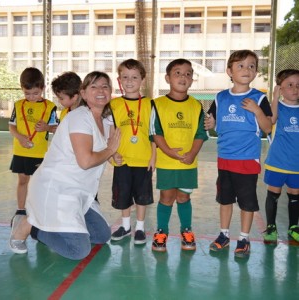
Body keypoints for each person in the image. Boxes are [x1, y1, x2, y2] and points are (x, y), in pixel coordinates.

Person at [9, 71, 121, 260]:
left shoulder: (104, 119)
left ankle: (48, 222)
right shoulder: (79, 118)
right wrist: (110, 150)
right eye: (93, 87)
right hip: (57, 190)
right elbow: (85, 162)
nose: (100, 90)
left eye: (105, 86)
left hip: (79, 191)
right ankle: (33, 226)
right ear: (83, 94)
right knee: (78, 251)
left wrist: (113, 154)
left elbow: (101, 150)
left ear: (110, 91)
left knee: (102, 236)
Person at [205, 50, 272, 258]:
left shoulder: (259, 98)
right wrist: (210, 123)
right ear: (229, 71)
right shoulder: (220, 97)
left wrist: (257, 111)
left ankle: (243, 238)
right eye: (241, 65)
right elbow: (213, 122)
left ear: (256, 72)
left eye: (251, 66)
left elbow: (268, 127)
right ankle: (224, 235)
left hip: (247, 160)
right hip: (224, 159)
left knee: (247, 203)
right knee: (225, 200)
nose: (246, 69)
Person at [150, 58, 208, 252]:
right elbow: (155, 132)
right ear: (167, 78)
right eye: (178, 73)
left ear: (192, 80)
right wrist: (169, 152)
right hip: (167, 163)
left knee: (183, 197)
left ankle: (186, 230)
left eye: (188, 74)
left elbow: (201, 133)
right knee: (166, 197)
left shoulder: (196, 105)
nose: (183, 77)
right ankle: (161, 231)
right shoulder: (157, 104)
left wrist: (192, 153)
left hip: (188, 163)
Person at [109, 59, 155, 245]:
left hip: (143, 160)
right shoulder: (114, 104)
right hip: (123, 160)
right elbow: (111, 132)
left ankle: (140, 228)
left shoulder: (151, 104)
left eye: (134, 77)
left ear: (142, 80)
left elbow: (153, 134)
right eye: (125, 77)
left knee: (142, 197)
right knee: (124, 195)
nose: (130, 81)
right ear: (119, 80)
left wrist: (153, 157)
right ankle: (126, 226)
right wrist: (113, 153)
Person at [9, 67, 58, 220]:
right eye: (27, 93)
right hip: (21, 151)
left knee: (39, 183)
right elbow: (12, 125)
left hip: (39, 153)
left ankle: (39, 209)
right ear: (22, 89)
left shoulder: (49, 107)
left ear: (42, 88)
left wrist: (47, 127)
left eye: (35, 93)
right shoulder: (18, 105)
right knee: (22, 180)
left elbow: (56, 128)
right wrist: (20, 137)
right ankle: (21, 209)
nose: (31, 97)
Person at [262, 69, 299, 243]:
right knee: (273, 195)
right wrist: (275, 98)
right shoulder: (276, 108)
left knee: (295, 196)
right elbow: (271, 120)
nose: (295, 88)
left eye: (298, 85)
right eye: (290, 85)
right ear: (280, 89)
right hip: (277, 162)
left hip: (296, 165)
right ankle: (271, 227)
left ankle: (294, 227)